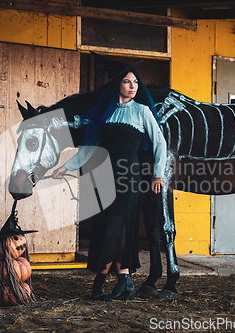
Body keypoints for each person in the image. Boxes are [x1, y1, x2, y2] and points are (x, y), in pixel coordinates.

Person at [52, 61, 166, 301]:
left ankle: (101, 280)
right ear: (117, 84)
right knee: (109, 227)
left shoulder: (143, 111)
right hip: (104, 178)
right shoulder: (105, 111)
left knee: (115, 226)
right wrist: (65, 167)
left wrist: (158, 174)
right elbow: (89, 149)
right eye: (127, 81)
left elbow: (160, 143)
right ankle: (124, 281)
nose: (133, 86)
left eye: (136, 82)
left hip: (129, 179)